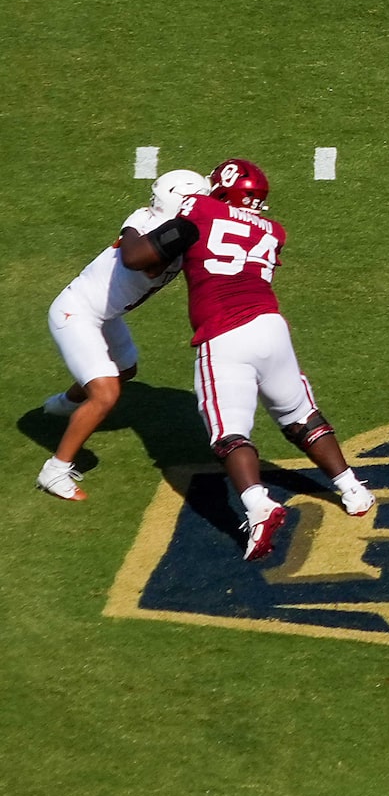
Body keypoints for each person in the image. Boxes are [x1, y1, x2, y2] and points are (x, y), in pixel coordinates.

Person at [116, 159, 374, 560]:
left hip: (223, 333)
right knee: (301, 415)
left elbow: (138, 257)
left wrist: (136, 222)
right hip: (271, 327)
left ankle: (257, 505)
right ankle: (352, 489)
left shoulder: (199, 209)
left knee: (228, 433)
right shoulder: (274, 230)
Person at [37, 168, 210, 501]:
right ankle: (55, 470)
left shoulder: (173, 230)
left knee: (126, 370)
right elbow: (138, 261)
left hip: (104, 314)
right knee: (106, 394)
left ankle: (62, 404)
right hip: (76, 313)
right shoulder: (145, 224)